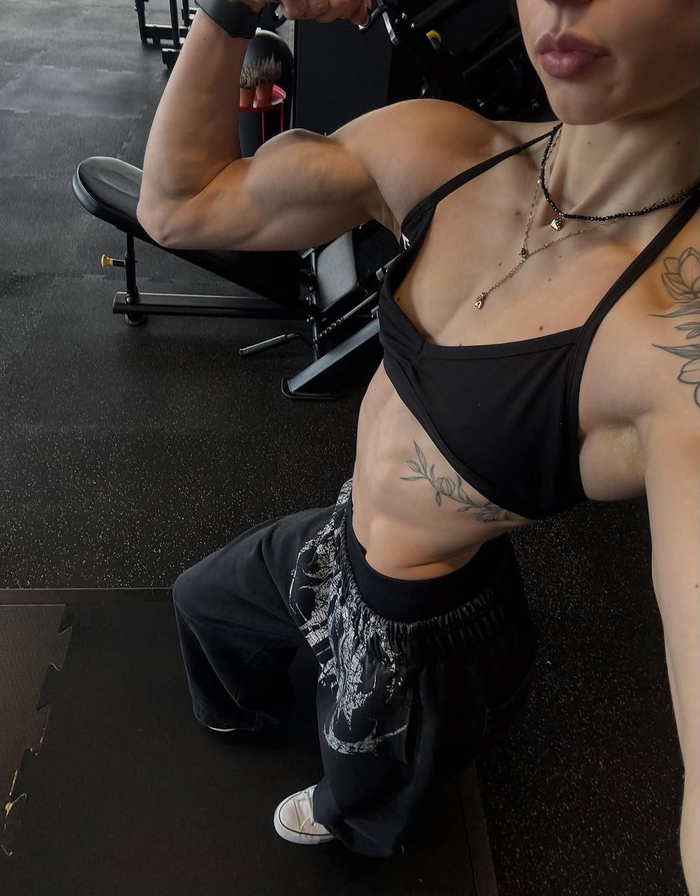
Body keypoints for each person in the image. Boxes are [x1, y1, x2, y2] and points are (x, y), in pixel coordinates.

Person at [135, 0, 700, 883]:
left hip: (425, 628)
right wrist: (232, 7)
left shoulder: (673, 341)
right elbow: (179, 207)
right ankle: (259, 719)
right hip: (341, 532)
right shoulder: (447, 150)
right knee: (200, 602)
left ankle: (353, 816)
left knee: (365, 788)